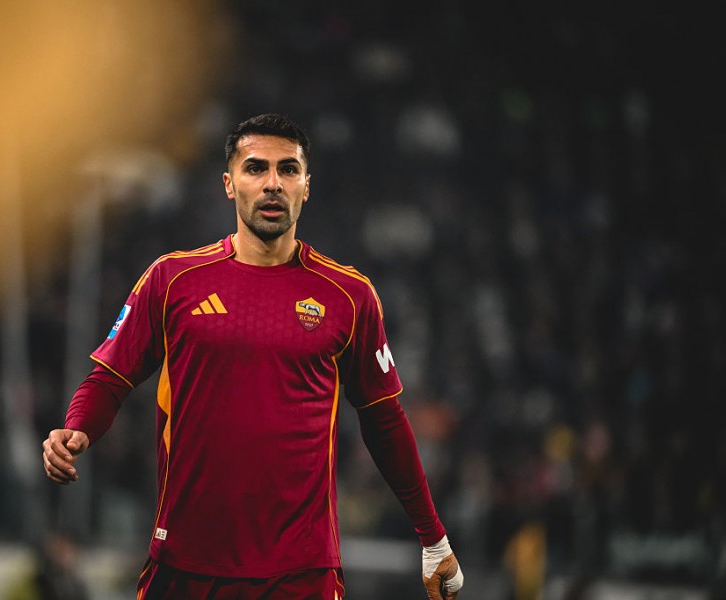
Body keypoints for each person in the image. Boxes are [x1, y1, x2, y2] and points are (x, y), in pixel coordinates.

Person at [42, 113, 464, 599]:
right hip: (184, 561)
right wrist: (78, 427)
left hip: (301, 571)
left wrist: (433, 537)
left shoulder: (349, 296)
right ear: (229, 184)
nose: (272, 183)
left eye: (288, 169)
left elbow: (384, 420)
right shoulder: (172, 280)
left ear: (306, 187)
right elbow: (110, 378)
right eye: (256, 167)